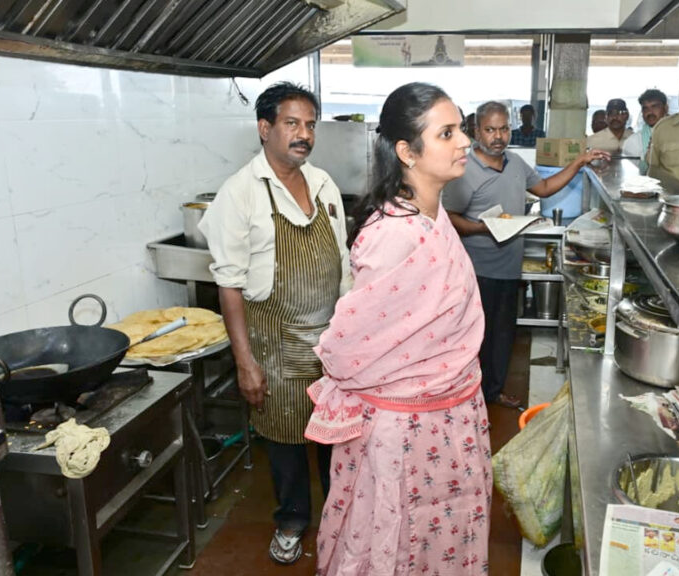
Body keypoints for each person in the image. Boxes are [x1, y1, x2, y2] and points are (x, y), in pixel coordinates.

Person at [305, 82, 491, 575]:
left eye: (461, 129)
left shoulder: (433, 216)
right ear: (407, 152)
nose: (465, 141)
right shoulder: (393, 233)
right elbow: (347, 346)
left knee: (436, 539)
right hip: (404, 430)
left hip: (446, 418)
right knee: (396, 541)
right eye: (447, 133)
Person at [198, 82, 351, 565]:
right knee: (284, 441)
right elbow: (229, 286)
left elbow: (343, 263)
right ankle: (291, 520)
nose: (304, 134)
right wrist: (245, 363)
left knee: (336, 438)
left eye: (310, 125)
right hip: (276, 346)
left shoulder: (323, 184)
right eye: (292, 123)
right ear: (265, 128)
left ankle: (341, 519)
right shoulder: (240, 193)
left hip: (331, 344)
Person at [443, 101, 609, 409]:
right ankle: (468, 398)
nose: (498, 137)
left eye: (504, 129)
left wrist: (579, 163)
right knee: (475, 337)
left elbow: (543, 187)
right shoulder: (465, 170)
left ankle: (493, 392)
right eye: (490, 129)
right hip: (477, 270)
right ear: (476, 131)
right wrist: (482, 228)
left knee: (503, 335)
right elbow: (450, 216)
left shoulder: (516, 163)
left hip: (509, 267)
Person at [625, 88, 669, 173]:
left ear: (666, 108)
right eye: (645, 108)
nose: (650, 112)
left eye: (654, 107)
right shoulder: (633, 141)